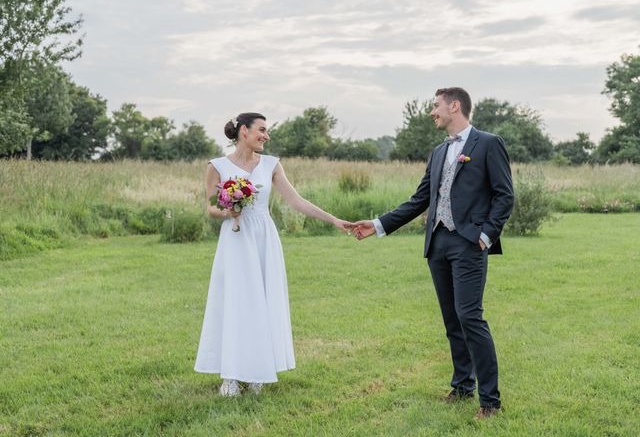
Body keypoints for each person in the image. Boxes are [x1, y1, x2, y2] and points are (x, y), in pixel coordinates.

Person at [352, 87, 514, 420]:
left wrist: (485, 235)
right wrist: (378, 225)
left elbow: (504, 195)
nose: (432, 112)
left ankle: (490, 401)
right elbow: (419, 200)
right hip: (438, 244)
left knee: (470, 317)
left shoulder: (488, 143)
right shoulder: (439, 151)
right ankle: (462, 387)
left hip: (469, 243)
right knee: (452, 320)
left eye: (436, 106)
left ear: (455, 106)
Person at [194, 112, 352, 396]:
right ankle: (230, 376)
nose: (266, 136)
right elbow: (209, 208)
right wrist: (228, 210)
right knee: (235, 302)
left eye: (267, 131)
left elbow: (297, 201)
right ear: (244, 131)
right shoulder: (216, 166)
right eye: (262, 130)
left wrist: (335, 221)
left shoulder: (271, 164)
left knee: (263, 303)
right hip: (235, 240)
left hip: (264, 238)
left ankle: (258, 372)